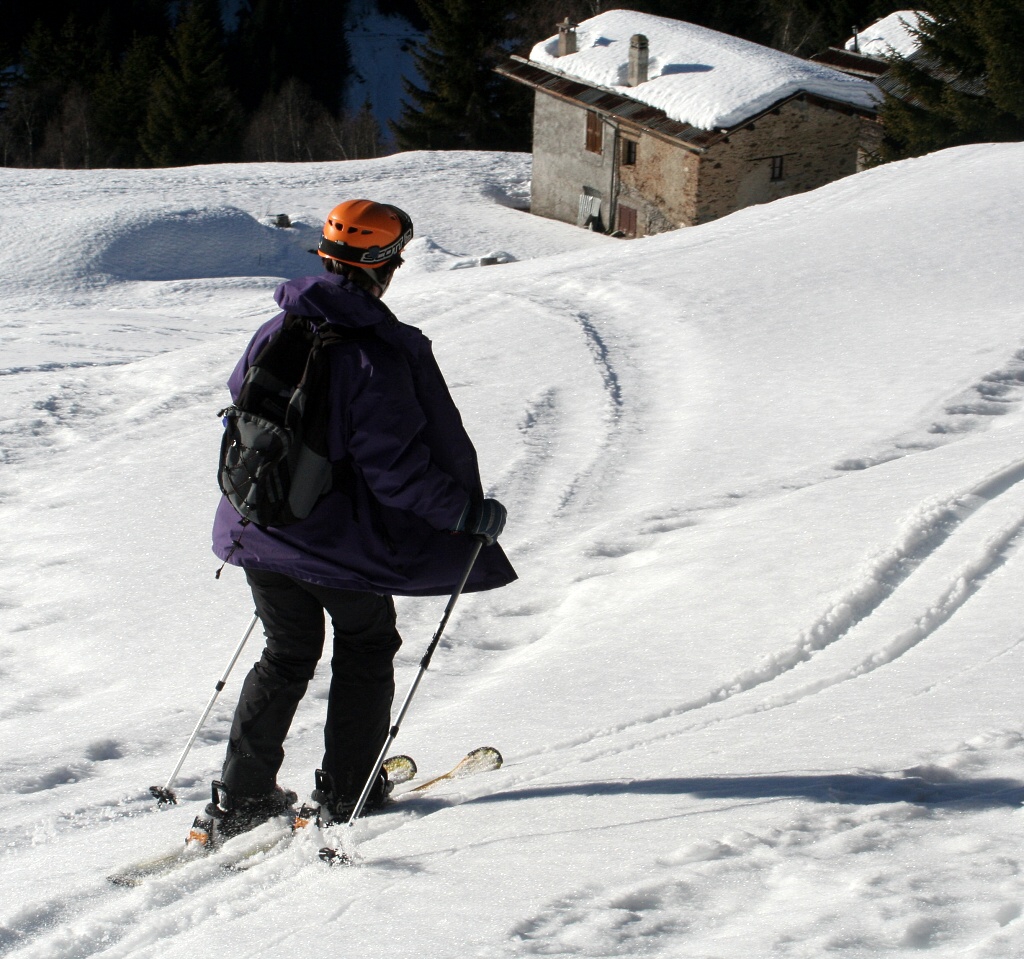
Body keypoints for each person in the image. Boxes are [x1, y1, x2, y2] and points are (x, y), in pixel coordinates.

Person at [207, 199, 517, 837]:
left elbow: (246, 408)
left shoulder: (277, 328)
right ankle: (349, 792)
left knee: (286, 653)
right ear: (386, 265)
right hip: (336, 545)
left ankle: (241, 797)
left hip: (259, 526)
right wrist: (463, 512)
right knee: (366, 646)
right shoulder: (374, 353)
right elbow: (394, 468)